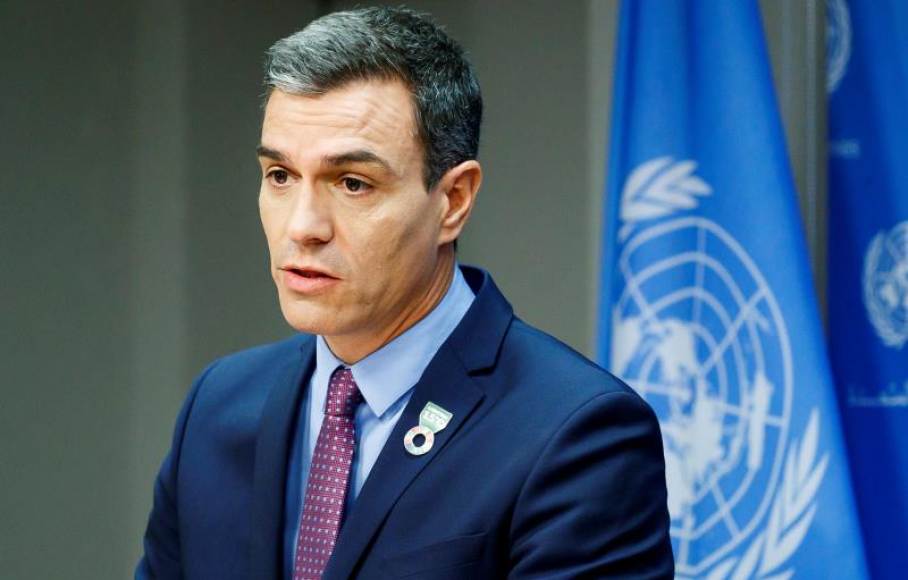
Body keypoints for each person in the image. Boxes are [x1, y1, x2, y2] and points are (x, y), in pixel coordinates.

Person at [136, 7, 673, 579]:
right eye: (280, 176)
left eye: (352, 183)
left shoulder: (577, 435)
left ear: (454, 201)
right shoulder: (218, 407)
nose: (302, 226)